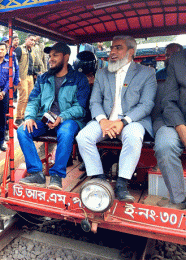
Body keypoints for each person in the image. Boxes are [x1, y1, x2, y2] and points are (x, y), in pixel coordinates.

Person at [76, 35, 157, 202]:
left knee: (134, 136)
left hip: (132, 121)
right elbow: (95, 101)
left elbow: (146, 104)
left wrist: (123, 122)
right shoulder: (102, 73)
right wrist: (103, 121)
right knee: (82, 137)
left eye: (118, 47)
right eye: (111, 47)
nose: (112, 51)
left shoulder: (147, 73)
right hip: (104, 121)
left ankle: (122, 183)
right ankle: (99, 179)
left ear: (131, 52)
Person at [17, 42, 90, 189]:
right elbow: (33, 100)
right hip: (45, 119)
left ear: (66, 57)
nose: (50, 59)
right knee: (22, 130)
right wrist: (29, 117)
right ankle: (37, 173)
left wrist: (61, 117)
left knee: (66, 130)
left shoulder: (79, 78)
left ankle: (56, 175)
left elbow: (81, 108)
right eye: (50, 56)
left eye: (55, 55)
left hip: (68, 120)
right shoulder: (44, 78)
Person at [153, 48, 186, 209]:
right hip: (176, 118)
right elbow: (168, 100)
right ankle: (178, 200)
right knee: (165, 145)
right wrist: (180, 127)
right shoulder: (178, 60)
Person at [14, 34, 40, 125]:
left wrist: (36, 73)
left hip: (30, 76)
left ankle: (25, 116)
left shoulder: (32, 51)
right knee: (23, 97)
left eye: (34, 40)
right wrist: (16, 77)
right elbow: (15, 64)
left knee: (30, 97)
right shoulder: (19, 49)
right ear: (26, 39)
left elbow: (32, 64)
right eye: (31, 40)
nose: (32, 42)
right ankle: (18, 117)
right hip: (22, 76)